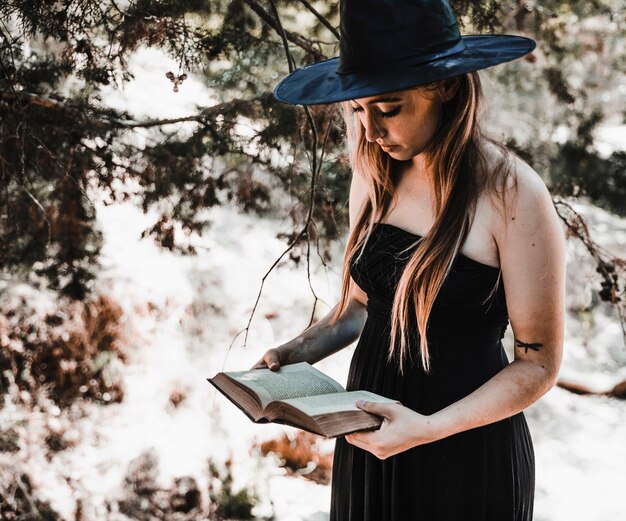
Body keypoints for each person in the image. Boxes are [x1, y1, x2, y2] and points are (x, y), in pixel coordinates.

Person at [253, 1, 566, 519]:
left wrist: (428, 428)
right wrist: (293, 355)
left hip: (464, 451)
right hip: (370, 441)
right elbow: (357, 309)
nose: (371, 130)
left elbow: (538, 364)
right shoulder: (374, 173)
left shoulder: (514, 194)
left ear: (443, 86)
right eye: (358, 110)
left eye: (389, 108)